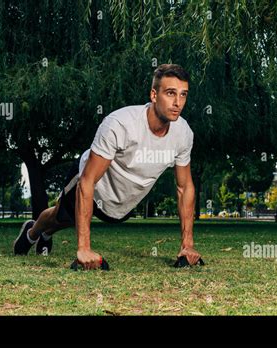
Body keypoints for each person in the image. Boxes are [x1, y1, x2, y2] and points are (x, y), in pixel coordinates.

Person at [13, 64, 202, 269]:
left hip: (121, 201)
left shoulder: (183, 133)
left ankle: (48, 232)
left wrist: (188, 245)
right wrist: (84, 248)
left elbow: (185, 187)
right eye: (170, 93)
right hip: (90, 183)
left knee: (68, 221)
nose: (177, 103)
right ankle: (33, 233)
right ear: (154, 95)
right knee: (61, 216)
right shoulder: (120, 124)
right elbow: (87, 180)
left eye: (183, 95)